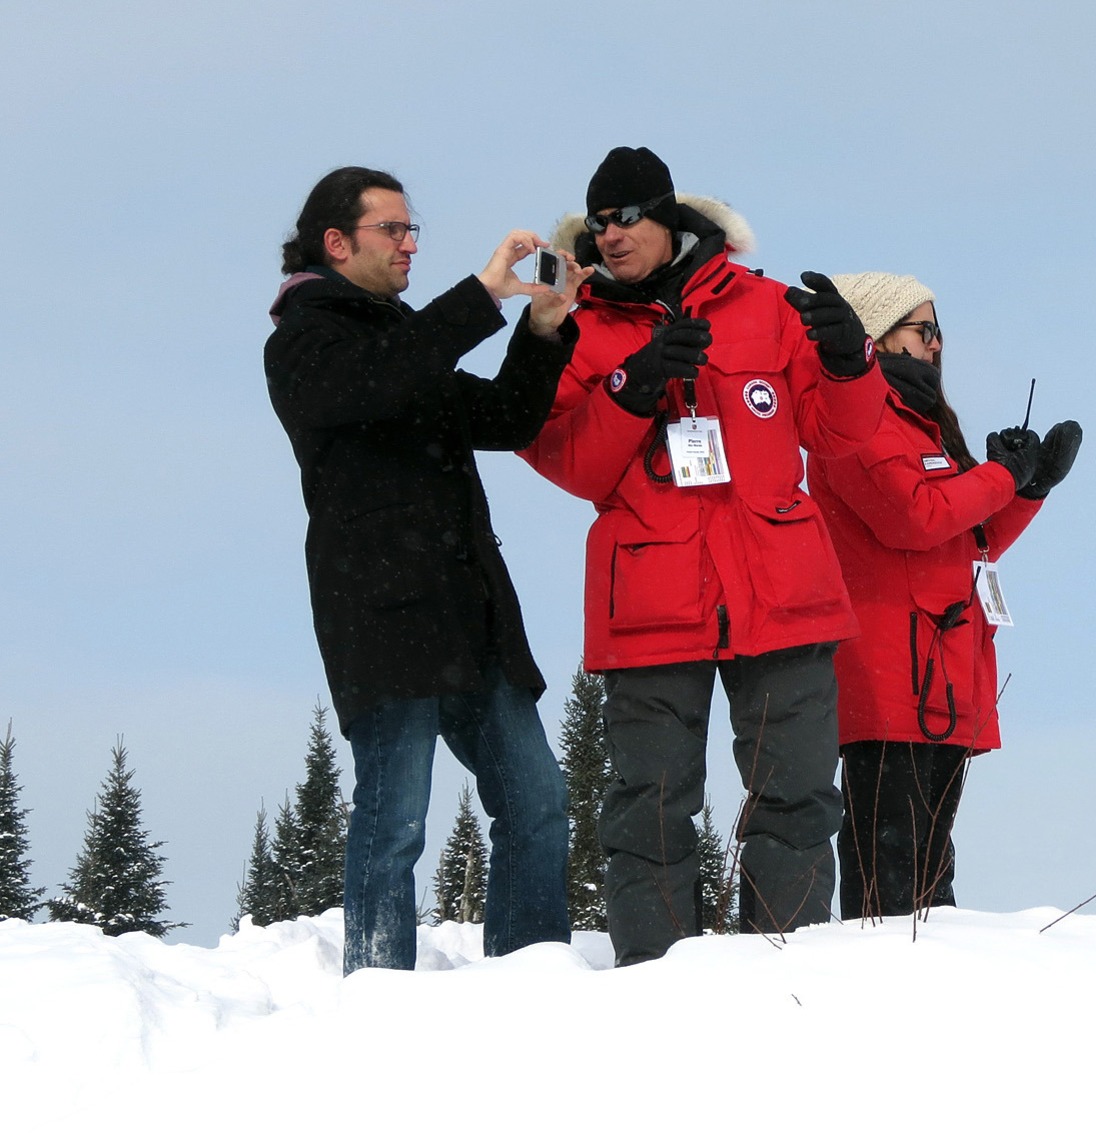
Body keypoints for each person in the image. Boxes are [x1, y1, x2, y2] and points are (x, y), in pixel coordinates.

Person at [520, 147, 886, 965]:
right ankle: (657, 990)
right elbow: (569, 463)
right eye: (598, 222)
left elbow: (845, 433)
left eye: (627, 218)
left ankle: (785, 983)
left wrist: (851, 361)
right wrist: (634, 387)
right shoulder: (574, 326)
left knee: (797, 800)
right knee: (647, 811)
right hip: (652, 602)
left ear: (668, 217)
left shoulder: (765, 306)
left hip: (782, 592)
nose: (611, 236)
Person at [264, 166, 587, 973]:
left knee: (538, 801)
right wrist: (480, 293)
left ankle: (532, 977)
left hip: (467, 611)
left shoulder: (406, 341)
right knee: (396, 816)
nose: (411, 243)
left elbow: (506, 416)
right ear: (336, 243)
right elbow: (370, 385)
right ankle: (377, 990)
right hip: (378, 611)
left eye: (415, 230)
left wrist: (542, 325)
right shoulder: (304, 339)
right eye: (394, 230)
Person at [809, 273, 1081, 918]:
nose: (935, 345)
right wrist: (998, 476)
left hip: (938, 668)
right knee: (893, 869)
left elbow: (967, 542)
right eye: (921, 329)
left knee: (930, 867)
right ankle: (887, 988)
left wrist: (1029, 487)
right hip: (889, 674)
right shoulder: (859, 424)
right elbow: (916, 518)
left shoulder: (921, 427)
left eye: (938, 332)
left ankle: (930, 986)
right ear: (874, 335)